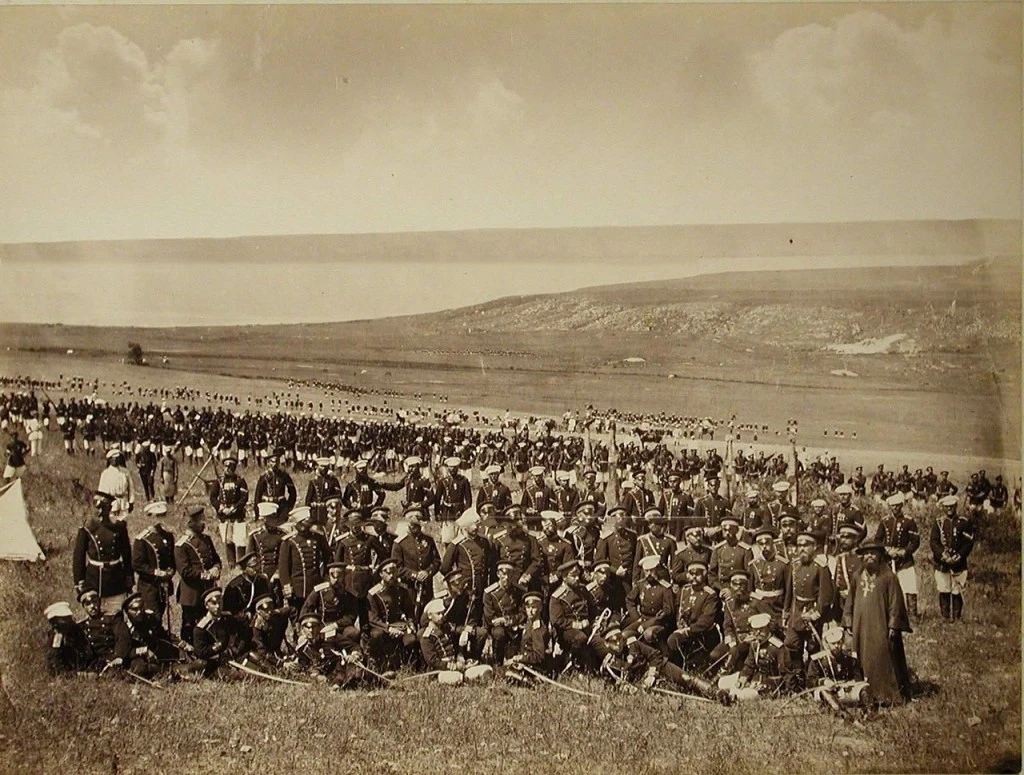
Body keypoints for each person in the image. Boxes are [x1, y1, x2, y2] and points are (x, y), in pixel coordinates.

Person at [842, 542, 912, 705]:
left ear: (880, 556)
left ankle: (887, 695)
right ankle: (864, 693)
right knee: (860, 657)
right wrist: (848, 622)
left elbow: (896, 603)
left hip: (880, 625)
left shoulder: (888, 577)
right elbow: (850, 600)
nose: (869, 557)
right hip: (860, 627)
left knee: (883, 656)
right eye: (866, 554)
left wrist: (893, 625)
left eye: (873, 553)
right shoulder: (857, 576)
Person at [73, 491, 134, 615]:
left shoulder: (119, 528)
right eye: (97, 508)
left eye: (104, 508)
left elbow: (127, 555)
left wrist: (129, 577)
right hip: (94, 579)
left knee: (116, 615)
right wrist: (79, 581)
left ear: (109, 509)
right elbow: (78, 558)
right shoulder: (87, 529)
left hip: (115, 579)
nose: (100, 512)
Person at [174, 508, 222, 644]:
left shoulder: (206, 539)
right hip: (192, 592)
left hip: (207, 590)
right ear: (191, 523)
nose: (204, 523)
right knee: (189, 624)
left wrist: (216, 568)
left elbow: (216, 559)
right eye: (201, 520)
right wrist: (205, 575)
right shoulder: (182, 545)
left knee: (207, 621)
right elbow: (184, 571)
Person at [873, 493, 921, 618]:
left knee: (910, 586)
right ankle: (889, 613)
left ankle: (912, 615)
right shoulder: (885, 521)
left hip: (905, 560)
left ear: (901, 506)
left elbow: (915, 541)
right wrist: (887, 550)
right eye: (892, 506)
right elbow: (877, 540)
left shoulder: (909, 521)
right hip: (888, 560)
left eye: (897, 506)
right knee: (887, 587)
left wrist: (904, 552)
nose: (895, 508)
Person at [666, 560, 720, 670]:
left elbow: (707, 620)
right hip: (683, 629)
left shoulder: (710, 594)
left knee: (673, 640)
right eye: (691, 573)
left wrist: (687, 630)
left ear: (704, 575)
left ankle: (678, 670)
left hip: (701, 634)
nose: (694, 577)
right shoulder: (684, 590)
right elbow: (677, 609)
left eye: (698, 574)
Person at [930, 495, 975, 622]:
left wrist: (959, 556)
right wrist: (942, 555)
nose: (949, 509)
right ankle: (945, 616)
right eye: (947, 507)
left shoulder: (964, 522)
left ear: (956, 506)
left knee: (957, 590)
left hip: (958, 564)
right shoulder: (938, 523)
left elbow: (968, 542)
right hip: (942, 563)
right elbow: (933, 542)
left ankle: (956, 617)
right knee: (944, 589)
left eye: (952, 506)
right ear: (943, 508)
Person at [366, 558, 418, 669]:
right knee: (376, 635)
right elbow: (373, 619)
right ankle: (379, 664)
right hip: (383, 627)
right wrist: (388, 628)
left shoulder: (402, 591)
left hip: (400, 626)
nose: (392, 576)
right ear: (381, 574)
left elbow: (409, 612)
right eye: (388, 573)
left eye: (394, 572)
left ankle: (407, 665)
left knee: (411, 640)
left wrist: (411, 624)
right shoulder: (374, 594)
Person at [391, 508, 441, 620]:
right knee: (411, 615)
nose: (413, 527)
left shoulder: (429, 540)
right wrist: (414, 575)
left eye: (416, 525)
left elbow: (437, 561)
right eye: (411, 524)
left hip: (426, 586)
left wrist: (427, 572)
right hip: (409, 588)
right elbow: (397, 568)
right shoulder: (399, 543)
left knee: (426, 615)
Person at [132, 501, 176, 625]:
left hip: (164, 585)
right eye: (158, 516)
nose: (160, 519)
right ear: (149, 517)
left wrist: (170, 572)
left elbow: (171, 560)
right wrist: (157, 573)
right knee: (153, 618)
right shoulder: (142, 540)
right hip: (149, 587)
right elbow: (137, 565)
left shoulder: (168, 537)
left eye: (162, 515)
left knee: (161, 614)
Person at [280, 507, 331, 613]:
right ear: (298, 524)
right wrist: (286, 585)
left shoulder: (317, 537)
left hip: (315, 582)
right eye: (304, 523)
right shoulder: (289, 541)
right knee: (298, 613)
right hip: (298, 586)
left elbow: (328, 557)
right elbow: (284, 567)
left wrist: (326, 576)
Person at [192, 587, 253, 677]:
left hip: (233, 657)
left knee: (255, 661)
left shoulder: (227, 618)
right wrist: (219, 654)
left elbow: (242, 631)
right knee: (242, 675)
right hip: (214, 665)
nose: (218, 606)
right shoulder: (201, 628)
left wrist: (236, 649)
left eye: (220, 602)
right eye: (214, 603)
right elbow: (201, 653)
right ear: (206, 606)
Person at [481, 562, 526, 664]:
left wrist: (508, 620)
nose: (506, 578)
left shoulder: (519, 591)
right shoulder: (489, 593)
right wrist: (502, 622)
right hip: (497, 626)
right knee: (499, 633)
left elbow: (523, 613)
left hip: (515, 624)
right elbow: (489, 617)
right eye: (504, 574)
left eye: (510, 574)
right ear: (498, 574)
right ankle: (498, 663)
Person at [209, 457, 249, 568]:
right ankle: (231, 564)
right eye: (226, 466)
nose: (227, 469)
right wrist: (220, 507)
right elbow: (212, 497)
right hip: (224, 516)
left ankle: (241, 564)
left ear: (234, 468)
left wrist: (234, 508)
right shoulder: (219, 481)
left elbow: (244, 497)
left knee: (240, 541)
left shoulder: (240, 480)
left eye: (230, 467)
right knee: (228, 540)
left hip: (237, 516)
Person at [44, 601, 92, 675]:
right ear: (54, 622)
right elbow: (56, 665)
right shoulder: (57, 637)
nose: (68, 621)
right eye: (63, 619)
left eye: (68, 618)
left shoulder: (75, 632)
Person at [223, 552, 273, 618]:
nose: (256, 569)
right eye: (252, 567)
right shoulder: (234, 587)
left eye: (257, 565)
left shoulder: (262, 581)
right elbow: (228, 610)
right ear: (244, 569)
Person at [253, 450, 297, 522]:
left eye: (277, 461)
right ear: (268, 462)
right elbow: (257, 496)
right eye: (272, 462)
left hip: (281, 506)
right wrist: (257, 512)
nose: (275, 464)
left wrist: (289, 506)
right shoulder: (264, 477)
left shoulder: (284, 476)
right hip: (267, 506)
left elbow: (293, 493)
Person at [98, 449, 134, 519]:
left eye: (117, 459)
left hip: (123, 503)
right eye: (113, 459)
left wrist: (131, 502)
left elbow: (131, 488)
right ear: (110, 460)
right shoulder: (106, 473)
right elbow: (101, 491)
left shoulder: (125, 472)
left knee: (122, 524)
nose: (115, 461)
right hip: (111, 503)